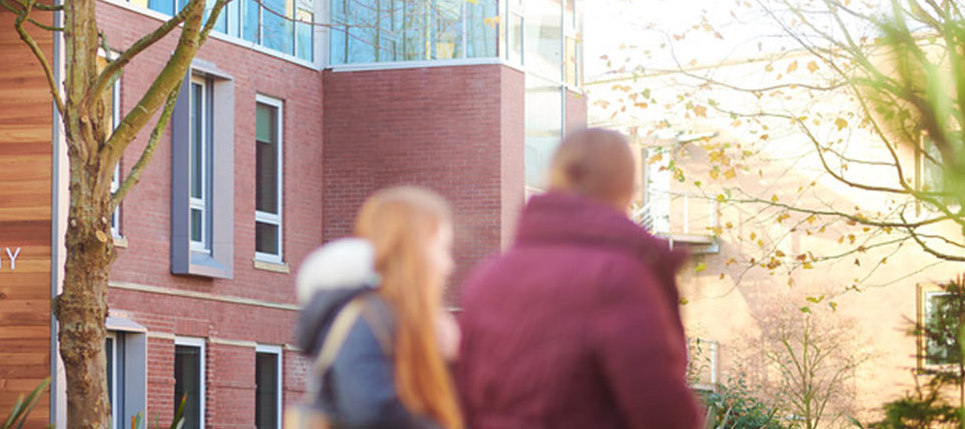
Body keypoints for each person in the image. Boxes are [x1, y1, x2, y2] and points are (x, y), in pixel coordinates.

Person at [455, 128, 703, 429]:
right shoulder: (618, 278)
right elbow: (661, 409)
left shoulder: (489, 275)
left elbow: (463, 398)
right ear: (626, 188)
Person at [292, 186, 463, 429]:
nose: (449, 265)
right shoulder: (370, 318)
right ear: (412, 251)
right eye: (442, 249)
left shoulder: (392, 317)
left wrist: (448, 360)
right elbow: (374, 414)